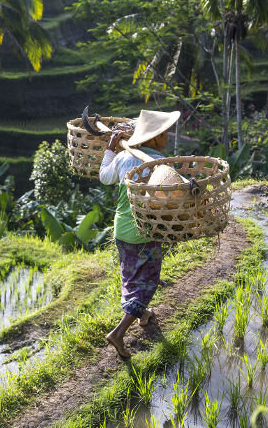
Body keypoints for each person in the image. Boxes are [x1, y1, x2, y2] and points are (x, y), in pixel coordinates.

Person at [99, 109, 180, 358]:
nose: (168, 136)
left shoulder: (124, 158)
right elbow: (175, 199)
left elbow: (104, 177)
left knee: (130, 276)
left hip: (122, 228)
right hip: (145, 232)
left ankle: (143, 315)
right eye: (165, 133)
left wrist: (111, 149)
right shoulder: (161, 167)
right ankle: (118, 332)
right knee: (148, 282)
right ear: (154, 138)